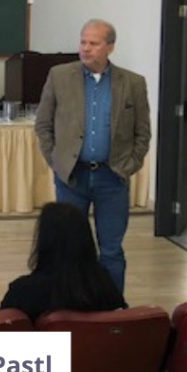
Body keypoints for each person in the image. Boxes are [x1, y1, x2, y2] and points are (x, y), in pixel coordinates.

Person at [34, 19, 151, 294]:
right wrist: (57, 162)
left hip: (113, 179)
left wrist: (129, 165)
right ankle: (70, 305)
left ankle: (112, 308)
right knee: (68, 249)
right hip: (72, 178)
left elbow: (142, 133)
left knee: (111, 251)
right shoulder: (59, 76)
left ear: (110, 47)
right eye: (83, 42)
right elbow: (43, 124)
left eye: (93, 43)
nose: (85, 48)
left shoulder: (132, 83)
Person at [0, 201, 127, 321]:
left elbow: (2, 330)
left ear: (44, 242)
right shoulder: (105, 287)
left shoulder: (22, 292)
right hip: (90, 338)